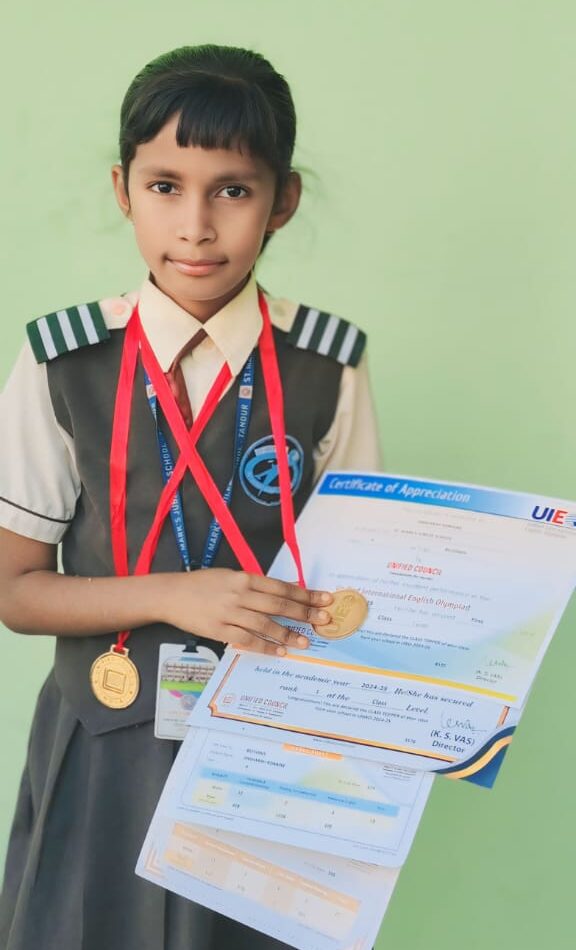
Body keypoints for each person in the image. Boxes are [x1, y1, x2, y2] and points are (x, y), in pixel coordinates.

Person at [0, 44, 381, 950]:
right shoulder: (64, 361)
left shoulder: (328, 366)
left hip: (268, 754)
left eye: (233, 190)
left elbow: (356, 595)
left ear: (283, 200)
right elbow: (14, 590)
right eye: (165, 187)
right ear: (123, 190)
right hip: (104, 743)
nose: (196, 226)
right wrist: (176, 594)